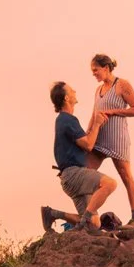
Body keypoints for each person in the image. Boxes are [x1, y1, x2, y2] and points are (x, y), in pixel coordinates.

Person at [42, 81, 119, 233]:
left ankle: (52, 214)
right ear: (66, 98)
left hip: (68, 178)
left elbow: (85, 140)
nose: (75, 90)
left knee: (94, 225)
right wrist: (97, 124)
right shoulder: (67, 119)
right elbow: (89, 144)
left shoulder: (63, 120)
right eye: (71, 90)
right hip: (74, 174)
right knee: (110, 184)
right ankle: (83, 221)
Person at [88, 54, 134, 224]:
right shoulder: (98, 90)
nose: (94, 74)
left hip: (117, 139)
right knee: (86, 174)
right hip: (99, 140)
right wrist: (86, 135)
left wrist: (113, 111)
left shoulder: (122, 85)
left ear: (106, 68)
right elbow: (93, 114)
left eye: (95, 70)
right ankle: (87, 216)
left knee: (126, 176)